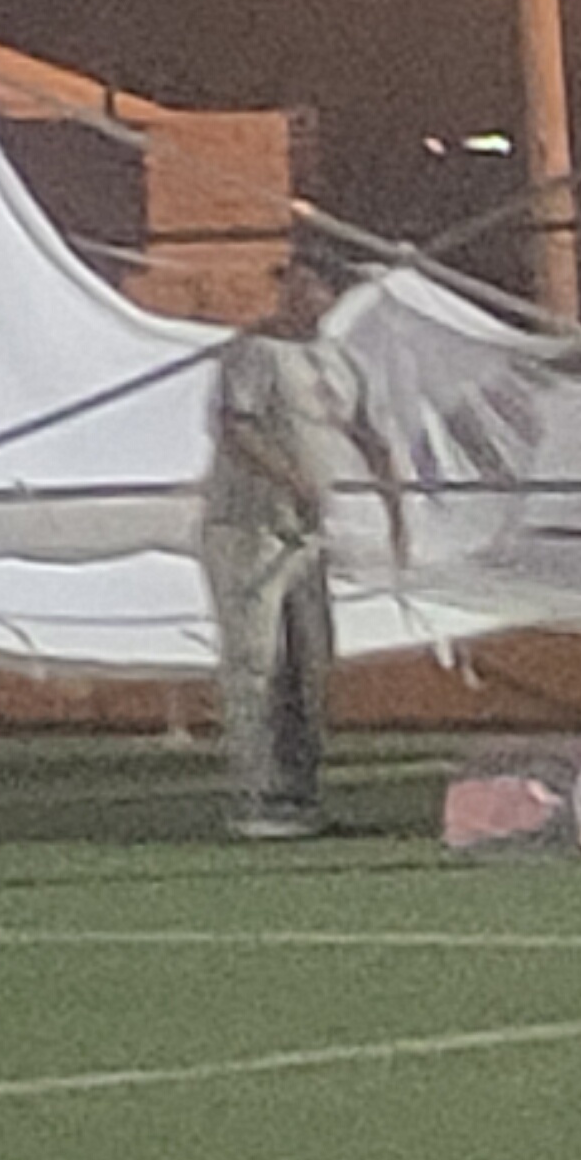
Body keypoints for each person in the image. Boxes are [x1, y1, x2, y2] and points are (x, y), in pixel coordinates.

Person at [201, 242, 406, 839]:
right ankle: (257, 792)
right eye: (291, 282)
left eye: (309, 284)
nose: (297, 294)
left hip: (308, 534)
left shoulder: (336, 361)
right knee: (256, 661)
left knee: (310, 660)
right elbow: (236, 428)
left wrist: (395, 507)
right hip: (251, 527)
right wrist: (291, 479)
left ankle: (301, 786)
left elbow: (367, 435)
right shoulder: (254, 352)